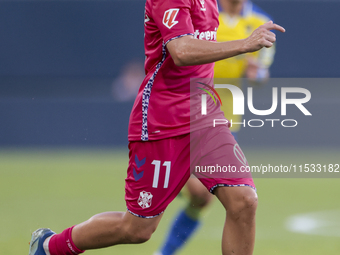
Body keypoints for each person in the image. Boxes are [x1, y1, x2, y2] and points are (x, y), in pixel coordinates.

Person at [28, 1, 284, 255]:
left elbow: (204, 67)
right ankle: (50, 246)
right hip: (163, 122)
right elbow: (181, 51)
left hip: (206, 120)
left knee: (244, 201)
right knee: (137, 229)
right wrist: (244, 43)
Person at [155, 1, 277, 255]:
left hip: (221, 118)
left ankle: (164, 252)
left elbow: (262, 71)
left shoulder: (259, 22)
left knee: (204, 197)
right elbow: (181, 49)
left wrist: (257, 74)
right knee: (196, 193)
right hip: (181, 112)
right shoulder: (203, 13)